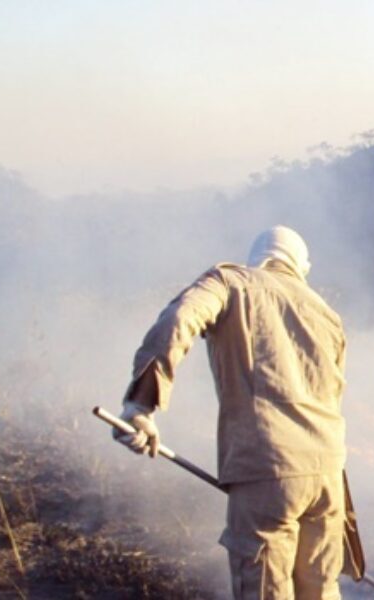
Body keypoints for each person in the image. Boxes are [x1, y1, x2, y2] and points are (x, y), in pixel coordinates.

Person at [112, 225, 348, 600]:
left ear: (257, 258)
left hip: (270, 468)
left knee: (265, 589)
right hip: (329, 477)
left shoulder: (230, 283)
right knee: (321, 590)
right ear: (301, 266)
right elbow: (332, 393)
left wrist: (141, 404)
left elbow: (177, 322)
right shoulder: (326, 313)